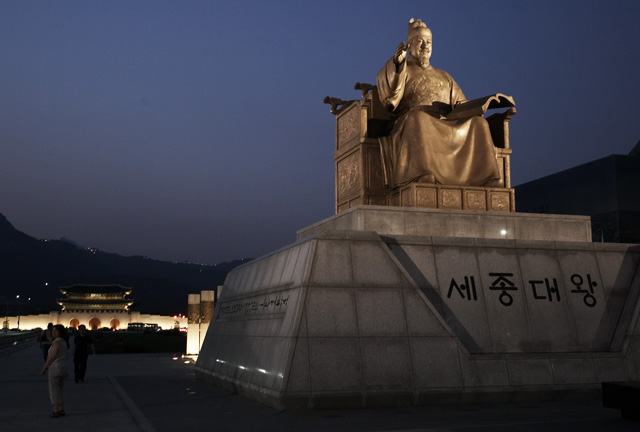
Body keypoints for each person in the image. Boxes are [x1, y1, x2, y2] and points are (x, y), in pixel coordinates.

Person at [377, 18, 502, 189]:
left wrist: (480, 107)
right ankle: (422, 173)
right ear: (409, 45)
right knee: (418, 119)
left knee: (479, 123)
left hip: (444, 122)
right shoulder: (401, 69)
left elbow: (461, 104)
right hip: (410, 123)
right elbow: (389, 97)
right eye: (420, 42)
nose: (425, 46)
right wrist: (397, 65)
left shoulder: (444, 76)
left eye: (428, 42)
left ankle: (487, 177)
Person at [41, 324, 69, 418]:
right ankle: (61, 409)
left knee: (53, 390)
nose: (53, 332)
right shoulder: (63, 341)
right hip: (63, 368)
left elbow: (52, 356)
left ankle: (55, 410)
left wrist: (45, 367)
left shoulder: (57, 342)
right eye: (52, 331)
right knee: (60, 390)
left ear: (60, 332)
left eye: (55, 331)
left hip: (56, 368)